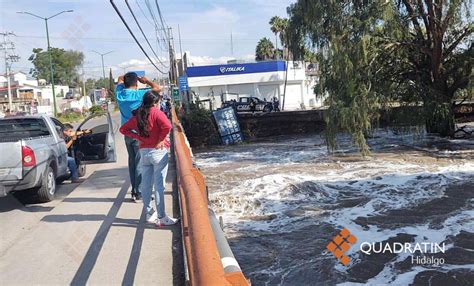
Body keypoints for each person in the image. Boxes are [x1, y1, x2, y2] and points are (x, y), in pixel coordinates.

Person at [119, 91, 178, 226]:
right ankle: (162, 217)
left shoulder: (138, 115)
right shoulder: (157, 113)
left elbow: (123, 129)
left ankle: (149, 213)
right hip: (157, 152)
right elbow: (167, 126)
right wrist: (161, 140)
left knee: (146, 185)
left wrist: (138, 137)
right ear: (155, 103)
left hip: (144, 151)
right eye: (158, 103)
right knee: (159, 186)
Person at [116, 72, 161, 202]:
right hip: (138, 132)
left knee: (132, 162)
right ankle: (139, 192)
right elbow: (157, 88)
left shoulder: (120, 93)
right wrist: (146, 81)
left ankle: (135, 191)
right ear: (136, 84)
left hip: (127, 132)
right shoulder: (139, 94)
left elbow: (119, 79)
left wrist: (127, 77)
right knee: (139, 163)